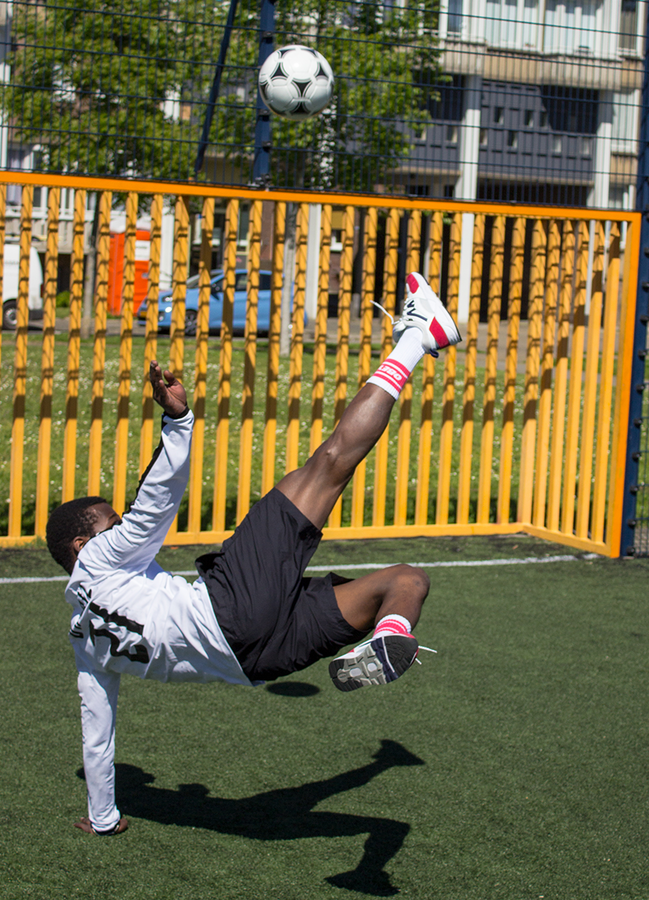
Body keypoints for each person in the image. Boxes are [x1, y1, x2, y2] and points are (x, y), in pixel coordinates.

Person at [46, 272, 461, 836]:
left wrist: (102, 816)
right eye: (107, 523)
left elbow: (98, 729)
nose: (118, 526)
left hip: (255, 664)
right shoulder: (98, 559)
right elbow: (152, 507)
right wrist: (178, 421)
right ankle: (419, 335)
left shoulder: (83, 639)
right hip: (230, 606)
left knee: (406, 580)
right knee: (328, 464)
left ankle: (392, 634)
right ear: (81, 543)